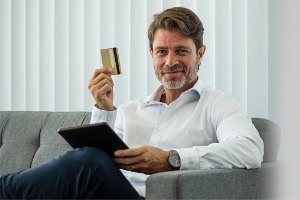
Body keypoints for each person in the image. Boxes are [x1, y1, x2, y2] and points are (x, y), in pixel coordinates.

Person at [0, 7, 263, 199]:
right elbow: (93, 161)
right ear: (151, 54)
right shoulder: (129, 110)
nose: (170, 62)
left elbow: (250, 149)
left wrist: (171, 159)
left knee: (89, 163)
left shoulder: (217, 104)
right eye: (161, 52)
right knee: (86, 164)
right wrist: (104, 109)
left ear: (200, 53)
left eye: (181, 51)